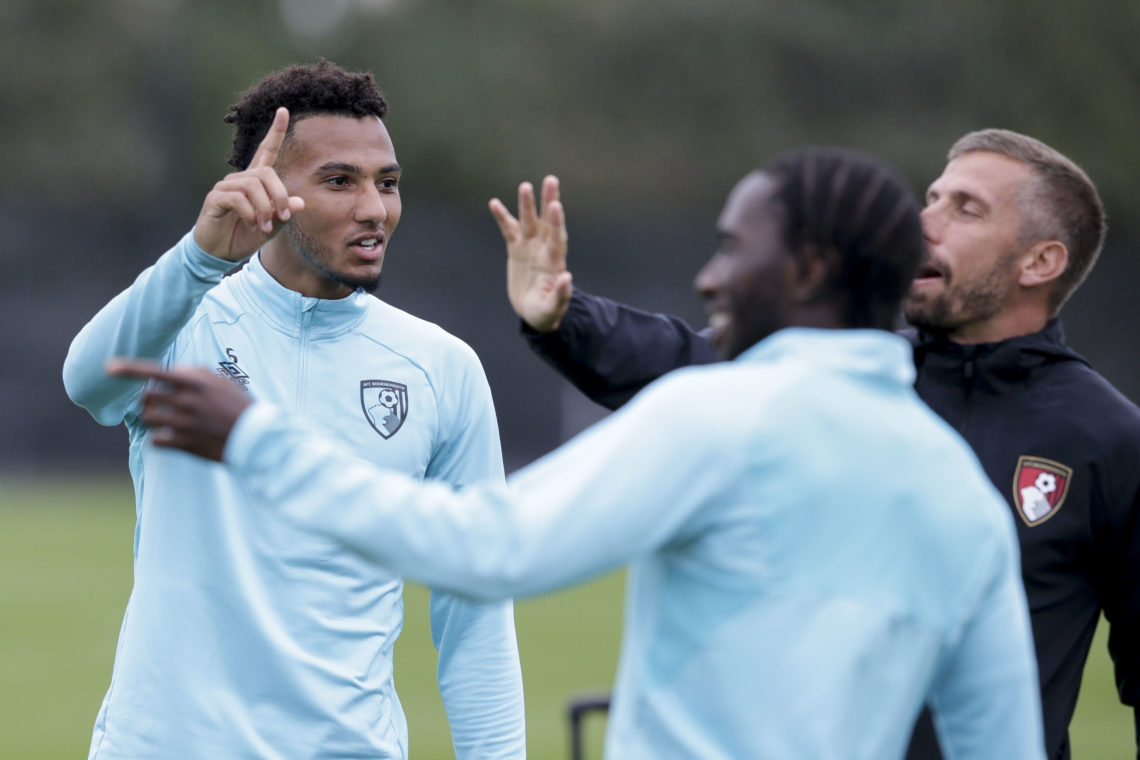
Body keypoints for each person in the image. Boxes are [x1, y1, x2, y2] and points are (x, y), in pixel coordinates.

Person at [108, 148, 1046, 759]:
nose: (710, 275)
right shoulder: (962, 498)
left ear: (804, 272)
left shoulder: (715, 421)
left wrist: (257, 440)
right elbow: (1002, 744)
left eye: (731, 248)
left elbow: (486, 548)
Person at [497, 130, 1140, 759]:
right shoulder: (850, 373)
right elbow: (687, 360)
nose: (925, 222)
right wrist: (565, 317)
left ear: (1041, 262)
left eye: (966, 209)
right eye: (932, 198)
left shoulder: (1106, 440)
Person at [62, 61, 525, 760]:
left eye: (388, 183)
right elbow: (86, 383)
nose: (376, 208)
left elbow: (478, 608)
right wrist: (197, 261)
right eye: (341, 181)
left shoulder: (441, 367)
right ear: (268, 186)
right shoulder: (184, 319)